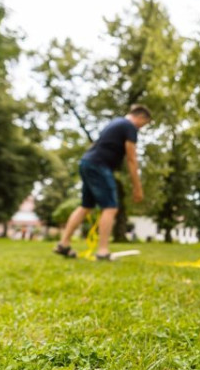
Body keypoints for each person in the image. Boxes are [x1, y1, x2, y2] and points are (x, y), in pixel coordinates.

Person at [53, 104, 151, 260]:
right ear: (140, 117)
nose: (141, 128)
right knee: (110, 207)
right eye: (144, 124)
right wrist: (137, 187)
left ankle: (64, 244)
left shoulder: (115, 123)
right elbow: (132, 159)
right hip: (99, 165)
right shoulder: (129, 126)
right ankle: (103, 251)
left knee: (85, 206)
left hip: (87, 162)